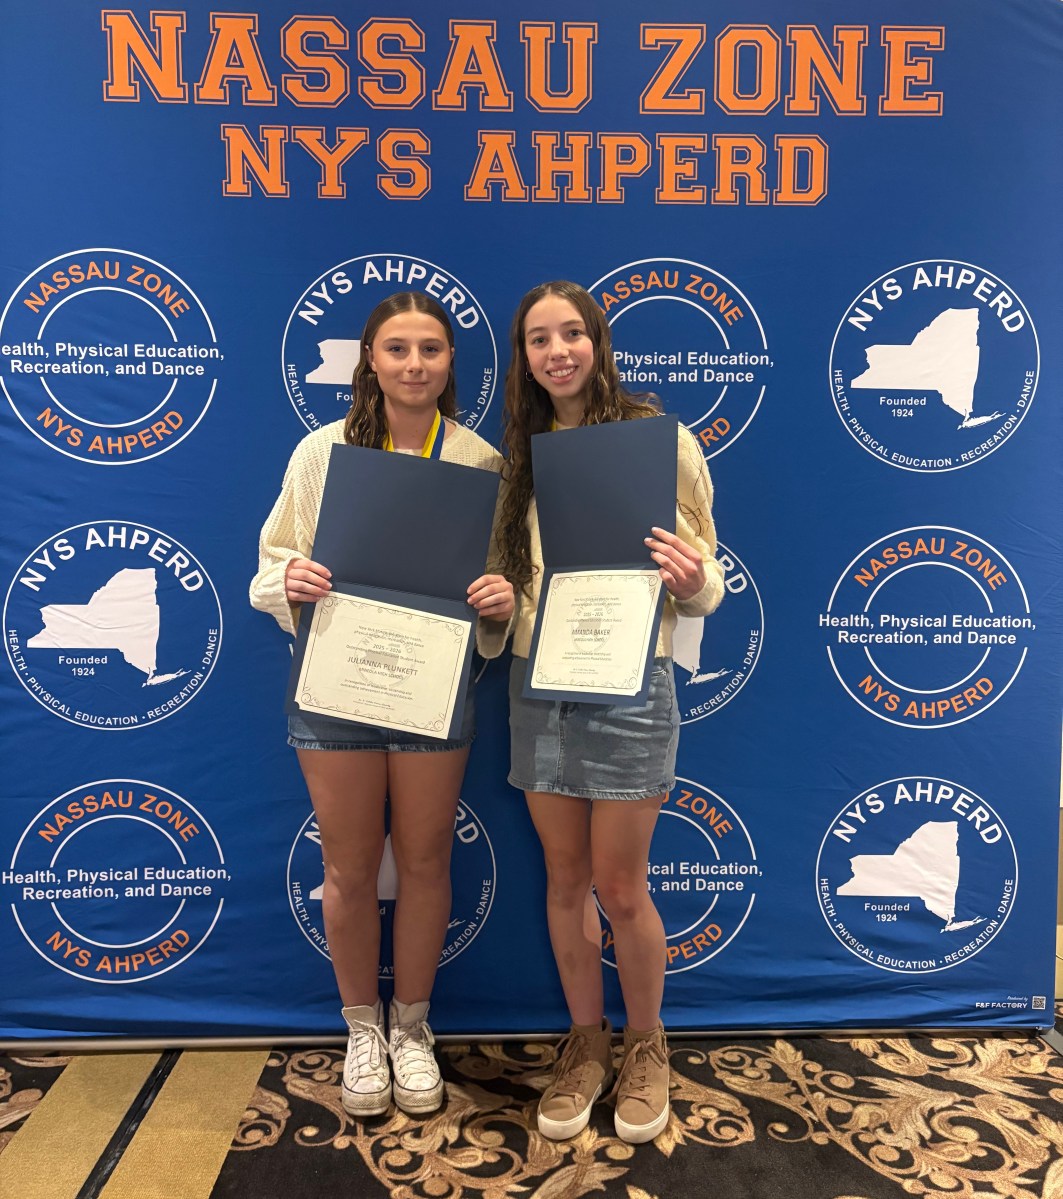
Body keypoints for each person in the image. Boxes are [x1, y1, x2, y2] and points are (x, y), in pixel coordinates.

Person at [250, 292, 513, 1118]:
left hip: (433, 684)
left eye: (429, 348)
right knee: (348, 867)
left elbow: (503, 583)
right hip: (336, 682)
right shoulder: (321, 451)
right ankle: (361, 1026)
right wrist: (286, 580)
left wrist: (498, 603)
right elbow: (269, 563)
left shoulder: (478, 461)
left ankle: (412, 1026)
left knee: (427, 860)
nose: (413, 364)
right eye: (396, 348)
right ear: (369, 358)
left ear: (449, 361)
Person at [496, 281, 724, 1144]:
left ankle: (646, 1044)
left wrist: (692, 579)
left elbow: (707, 574)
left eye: (571, 333)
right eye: (538, 339)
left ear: (597, 341)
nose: (557, 351)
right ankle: (585, 1045)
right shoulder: (517, 459)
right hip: (539, 684)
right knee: (564, 880)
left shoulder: (659, 442)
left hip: (631, 682)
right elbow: (507, 582)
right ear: (524, 358)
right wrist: (498, 607)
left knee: (621, 886)